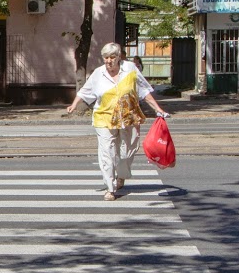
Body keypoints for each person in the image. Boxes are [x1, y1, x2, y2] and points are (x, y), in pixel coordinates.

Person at [66, 42, 167, 201]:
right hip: (103, 117)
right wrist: (73, 104)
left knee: (127, 152)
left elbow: (143, 90)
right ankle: (110, 188)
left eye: (112, 57)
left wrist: (157, 108)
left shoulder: (131, 69)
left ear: (119, 57)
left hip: (128, 117)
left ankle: (121, 176)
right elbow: (85, 90)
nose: (109, 61)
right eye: (106, 58)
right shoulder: (98, 73)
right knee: (107, 153)